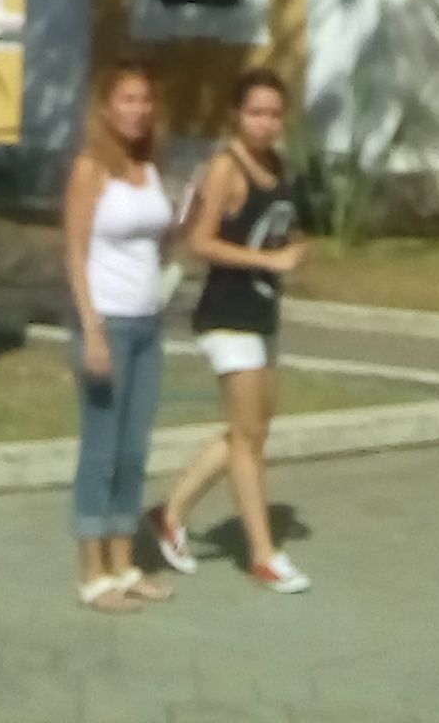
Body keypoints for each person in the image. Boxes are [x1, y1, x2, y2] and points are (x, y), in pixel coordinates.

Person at [151, 66, 310, 593]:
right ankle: (262, 554)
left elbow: (284, 226)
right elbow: (201, 241)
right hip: (226, 315)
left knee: (254, 430)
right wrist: (267, 263)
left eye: (273, 113)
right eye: (256, 112)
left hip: (262, 314)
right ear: (237, 115)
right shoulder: (226, 167)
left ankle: (169, 513)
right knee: (248, 441)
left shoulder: (276, 165)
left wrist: (294, 249)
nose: (266, 123)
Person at [63, 59, 178, 613]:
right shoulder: (90, 168)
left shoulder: (148, 167)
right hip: (106, 322)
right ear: (106, 107)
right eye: (128, 99)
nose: (138, 110)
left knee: (134, 451)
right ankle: (92, 575)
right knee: (101, 449)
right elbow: (75, 252)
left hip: (148, 324)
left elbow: (156, 244)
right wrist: (91, 330)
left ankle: (124, 562)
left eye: (145, 100)